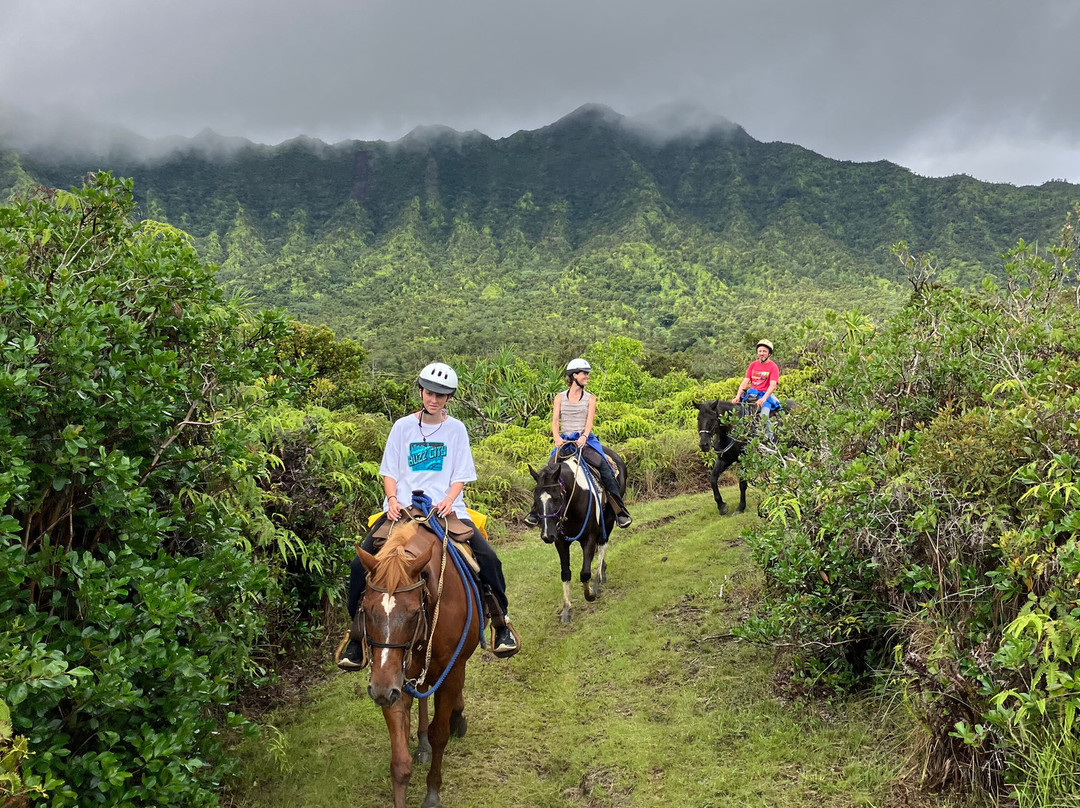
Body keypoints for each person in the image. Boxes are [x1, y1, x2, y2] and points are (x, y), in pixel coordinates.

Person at [337, 362, 519, 670]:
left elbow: (461, 474)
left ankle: (501, 621)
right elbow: (390, 471)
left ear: (449, 398)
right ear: (421, 392)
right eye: (429, 393)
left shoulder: (456, 429)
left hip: (445, 510)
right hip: (402, 511)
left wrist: (449, 499)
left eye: (441, 395)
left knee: (488, 558)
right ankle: (355, 635)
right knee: (359, 563)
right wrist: (392, 498)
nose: (433, 399)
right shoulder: (402, 427)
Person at [524, 358, 632, 529]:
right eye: (584, 373)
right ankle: (534, 513)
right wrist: (556, 437)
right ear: (574, 375)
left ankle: (620, 511)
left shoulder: (590, 398)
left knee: (605, 467)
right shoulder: (559, 398)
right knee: (546, 474)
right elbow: (554, 421)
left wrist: (584, 436)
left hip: (585, 441)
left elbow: (589, 421)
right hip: (564, 443)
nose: (587, 377)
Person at [732, 339, 781, 439]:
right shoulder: (753, 365)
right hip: (751, 394)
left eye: (764, 351)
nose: (762, 353)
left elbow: (772, 385)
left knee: (763, 417)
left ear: (769, 353)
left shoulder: (773, 367)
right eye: (760, 351)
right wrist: (737, 396)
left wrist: (763, 399)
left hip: (765, 396)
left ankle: (770, 440)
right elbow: (745, 381)